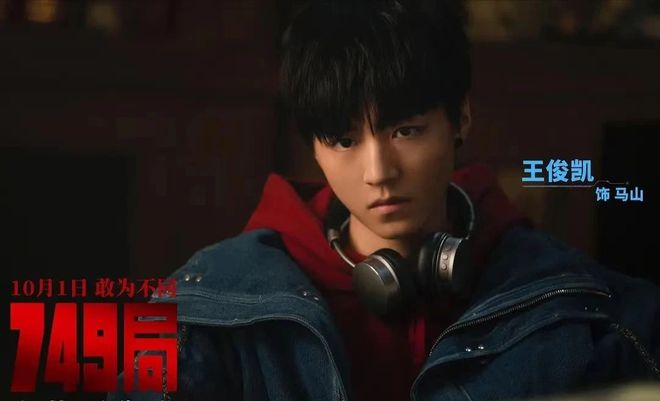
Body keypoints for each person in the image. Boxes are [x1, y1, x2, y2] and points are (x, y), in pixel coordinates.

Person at [109, 1, 660, 400]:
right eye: (344, 140)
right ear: (314, 149)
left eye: (405, 131)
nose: (378, 173)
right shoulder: (202, 309)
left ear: (461, 118)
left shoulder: (583, 306)